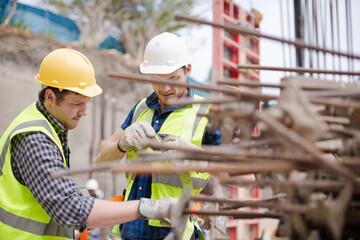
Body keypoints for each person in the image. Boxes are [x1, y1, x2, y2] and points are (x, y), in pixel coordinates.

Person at [0, 48, 177, 240]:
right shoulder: (35, 139)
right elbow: (71, 209)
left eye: (87, 103)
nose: (84, 112)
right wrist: (147, 207)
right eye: (76, 104)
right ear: (50, 97)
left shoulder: (48, 123)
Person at [96, 32, 222, 240]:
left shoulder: (206, 114)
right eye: (157, 80)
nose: (165, 89)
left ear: (187, 70)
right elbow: (101, 157)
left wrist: (199, 156)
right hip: (130, 231)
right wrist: (122, 143)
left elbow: (245, 178)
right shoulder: (140, 109)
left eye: (173, 79)